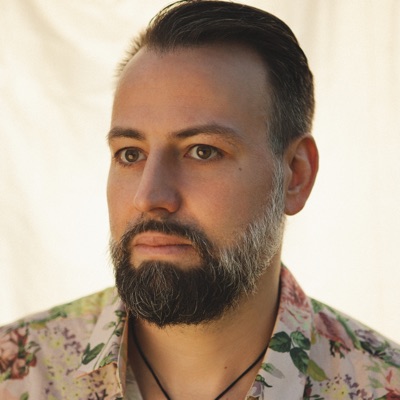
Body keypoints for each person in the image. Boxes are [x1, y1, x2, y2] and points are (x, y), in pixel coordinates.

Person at [1, 0, 399, 398]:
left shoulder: (382, 385)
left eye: (202, 151)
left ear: (296, 175)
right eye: (131, 154)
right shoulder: (14, 375)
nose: (149, 197)